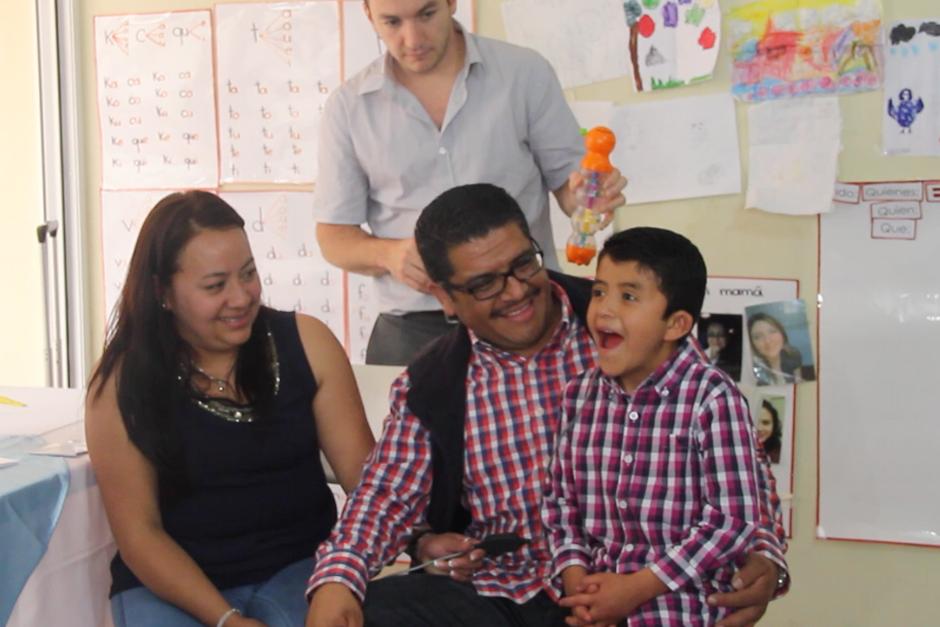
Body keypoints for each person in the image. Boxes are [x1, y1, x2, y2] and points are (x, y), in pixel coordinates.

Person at [305, 184, 788, 627]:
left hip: (633, 584)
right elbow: (384, 496)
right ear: (445, 298)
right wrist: (337, 579)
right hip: (500, 589)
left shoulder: (624, 325)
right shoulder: (432, 383)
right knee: (372, 613)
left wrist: (766, 557)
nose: (516, 292)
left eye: (523, 264)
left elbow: (740, 471)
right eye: (484, 284)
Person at [85, 191, 375, 627]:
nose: (241, 298)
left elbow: (370, 487)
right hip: (174, 584)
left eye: (249, 274)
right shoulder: (121, 384)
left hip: (299, 566)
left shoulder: (307, 342)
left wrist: (418, 542)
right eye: (215, 286)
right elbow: (140, 535)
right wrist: (226, 620)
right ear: (162, 292)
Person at [314, 0, 626, 365]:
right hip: (417, 329)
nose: (412, 38)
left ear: (451, 3)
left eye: (426, 14)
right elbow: (333, 237)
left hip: (526, 309)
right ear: (368, 15)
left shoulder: (523, 73)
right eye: (392, 22)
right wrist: (390, 255)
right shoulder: (348, 108)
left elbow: (572, 190)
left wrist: (589, 200)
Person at [542, 227, 765, 626]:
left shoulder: (712, 398)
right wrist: (580, 586)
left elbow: (733, 522)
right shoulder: (578, 395)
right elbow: (560, 505)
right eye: (598, 292)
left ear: (676, 324)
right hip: (595, 605)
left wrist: (636, 589)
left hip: (682, 608)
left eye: (628, 296)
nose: (604, 310)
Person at [747, 312, 814, 386]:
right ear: (752, 343)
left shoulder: (793, 354)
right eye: (758, 337)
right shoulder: (753, 371)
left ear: (782, 334)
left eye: (772, 332)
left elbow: (797, 381)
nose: (768, 341)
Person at [756, 400, 783, 464]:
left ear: (774, 425)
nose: (759, 428)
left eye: (765, 423)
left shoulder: (780, 454)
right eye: (754, 422)